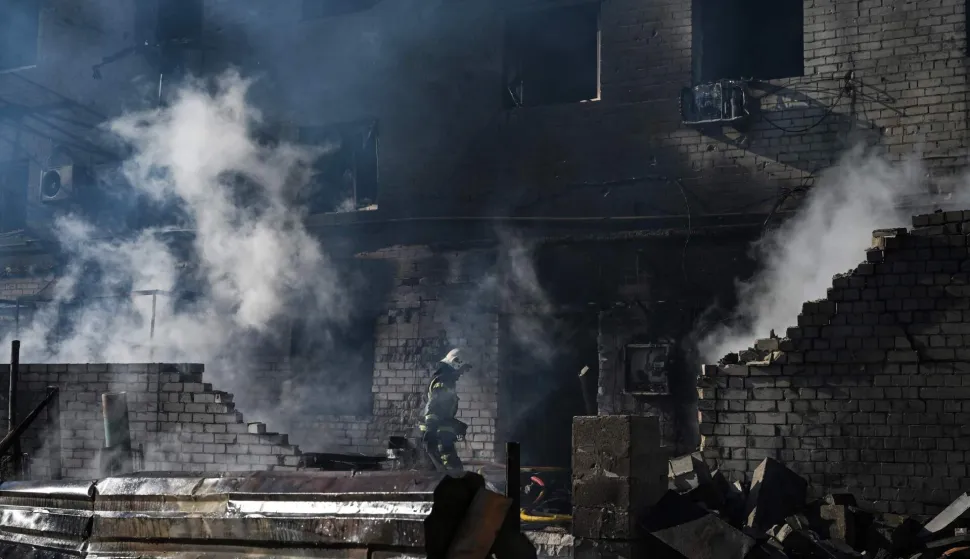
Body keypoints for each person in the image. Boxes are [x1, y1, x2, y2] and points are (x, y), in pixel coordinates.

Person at [418, 349, 470, 474]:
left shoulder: (445, 380)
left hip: (439, 432)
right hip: (437, 433)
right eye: (462, 369)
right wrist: (431, 430)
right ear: (456, 363)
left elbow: (442, 411)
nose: (462, 373)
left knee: (447, 470)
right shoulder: (444, 381)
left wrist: (456, 424)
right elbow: (435, 406)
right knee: (452, 471)